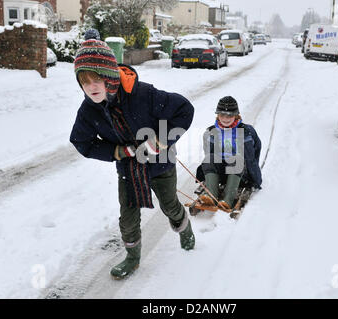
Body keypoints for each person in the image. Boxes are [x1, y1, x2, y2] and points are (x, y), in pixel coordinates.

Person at [70, 29, 195, 280]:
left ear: (109, 77)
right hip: (129, 168)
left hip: (160, 162)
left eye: (96, 79)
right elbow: (81, 142)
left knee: (170, 206)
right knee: (127, 215)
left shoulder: (143, 94)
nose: (91, 87)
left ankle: (185, 229)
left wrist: (161, 139)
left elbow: (184, 109)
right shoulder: (89, 110)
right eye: (84, 82)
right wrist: (116, 151)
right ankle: (132, 257)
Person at [197, 96, 262, 210]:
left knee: (236, 159)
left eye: (230, 115)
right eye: (222, 115)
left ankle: (228, 200)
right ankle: (211, 196)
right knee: (209, 158)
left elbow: (256, 150)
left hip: (241, 175)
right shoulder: (210, 133)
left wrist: (254, 175)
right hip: (222, 174)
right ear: (217, 115)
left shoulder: (247, 132)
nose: (225, 119)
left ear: (236, 115)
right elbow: (208, 152)